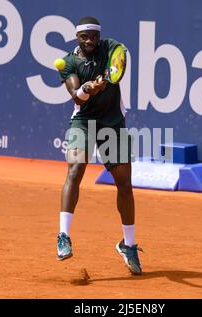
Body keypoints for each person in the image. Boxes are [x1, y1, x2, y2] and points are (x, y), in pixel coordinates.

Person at [56, 16, 142, 275]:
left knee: (124, 184)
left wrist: (108, 75)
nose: (90, 40)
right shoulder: (68, 62)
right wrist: (87, 89)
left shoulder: (110, 47)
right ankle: (63, 236)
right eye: (85, 37)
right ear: (77, 38)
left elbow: (120, 55)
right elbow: (76, 98)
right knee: (75, 168)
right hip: (82, 122)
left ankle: (129, 245)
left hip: (113, 123)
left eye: (94, 36)